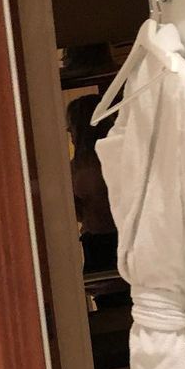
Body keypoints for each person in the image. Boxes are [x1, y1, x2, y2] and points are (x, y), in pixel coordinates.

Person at [67, 93, 119, 275]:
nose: (70, 135)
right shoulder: (74, 167)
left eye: (71, 128)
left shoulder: (79, 168)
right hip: (97, 238)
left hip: (113, 235)